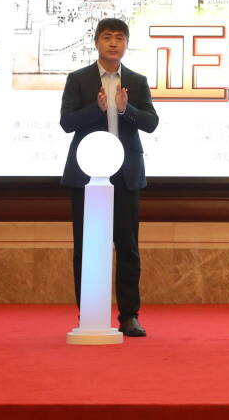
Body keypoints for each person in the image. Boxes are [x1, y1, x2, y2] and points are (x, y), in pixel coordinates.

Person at [60, 17, 159, 336]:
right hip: (88, 176)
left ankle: (129, 315)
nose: (113, 43)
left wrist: (125, 110)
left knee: (127, 247)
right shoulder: (79, 79)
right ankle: (88, 312)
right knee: (86, 247)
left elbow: (151, 123)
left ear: (126, 44)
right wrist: (98, 109)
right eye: (107, 37)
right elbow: (66, 122)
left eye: (119, 38)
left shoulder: (137, 81)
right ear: (96, 42)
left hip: (125, 174)